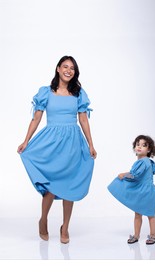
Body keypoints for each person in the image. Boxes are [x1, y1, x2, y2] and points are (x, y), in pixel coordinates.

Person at [18, 55, 97, 244]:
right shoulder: (46, 92)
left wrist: (91, 144)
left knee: (70, 186)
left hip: (73, 143)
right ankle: (43, 220)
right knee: (50, 188)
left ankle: (65, 227)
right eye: (65, 67)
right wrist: (26, 141)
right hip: (52, 143)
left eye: (72, 68)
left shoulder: (78, 93)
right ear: (58, 69)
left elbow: (83, 119)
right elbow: (36, 118)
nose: (69, 70)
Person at [108, 135, 155, 245]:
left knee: (150, 214)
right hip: (142, 190)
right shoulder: (145, 161)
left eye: (143, 145)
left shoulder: (144, 161)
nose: (139, 147)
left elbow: (135, 176)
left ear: (149, 150)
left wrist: (123, 175)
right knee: (137, 214)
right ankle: (136, 235)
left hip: (147, 192)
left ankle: (153, 235)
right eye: (138, 144)